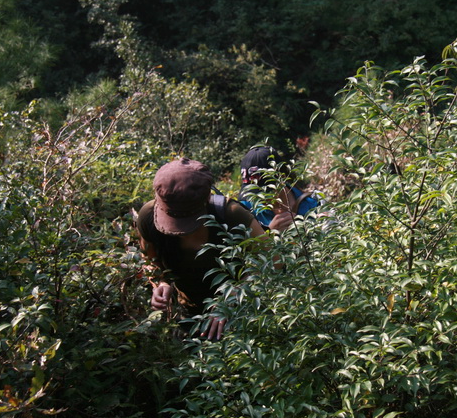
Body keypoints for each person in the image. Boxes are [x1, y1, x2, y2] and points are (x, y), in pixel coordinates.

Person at [136, 157, 265, 341]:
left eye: (188, 223)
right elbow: (150, 261)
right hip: (190, 316)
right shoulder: (148, 218)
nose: (179, 232)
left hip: (243, 316)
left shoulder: (232, 216)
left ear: (206, 201)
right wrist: (161, 283)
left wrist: (233, 299)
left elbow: (270, 261)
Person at [238, 146, 320, 233]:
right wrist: (268, 234)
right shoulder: (245, 209)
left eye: (266, 192)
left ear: (282, 179)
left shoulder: (312, 204)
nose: (260, 199)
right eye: (253, 193)